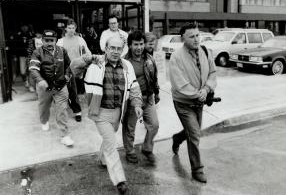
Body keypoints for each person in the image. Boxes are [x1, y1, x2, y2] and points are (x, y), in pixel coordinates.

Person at [70, 35, 143, 194]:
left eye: (119, 49)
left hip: (118, 111)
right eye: (112, 48)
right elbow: (74, 69)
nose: (116, 52)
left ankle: (103, 159)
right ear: (106, 48)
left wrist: (137, 104)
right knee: (111, 142)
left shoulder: (127, 65)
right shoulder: (96, 63)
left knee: (109, 138)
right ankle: (120, 180)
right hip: (100, 111)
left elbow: (135, 87)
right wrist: (87, 58)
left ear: (122, 50)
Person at [169, 23, 217, 183]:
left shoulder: (205, 51)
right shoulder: (176, 57)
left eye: (198, 35)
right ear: (183, 38)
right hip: (183, 102)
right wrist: (198, 94)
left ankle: (177, 138)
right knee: (195, 134)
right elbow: (179, 83)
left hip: (200, 101)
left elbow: (212, 73)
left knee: (192, 131)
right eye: (192, 36)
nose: (196, 39)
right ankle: (197, 170)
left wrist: (207, 89)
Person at [29, 30, 74, 147]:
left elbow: (69, 65)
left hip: (60, 86)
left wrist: (67, 75)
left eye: (52, 40)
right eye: (46, 40)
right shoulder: (37, 52)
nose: (49, 43)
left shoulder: (62, 51)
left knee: (62, 110)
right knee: (44, 107)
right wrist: (40, 80)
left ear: (56, 40)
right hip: (44, 87)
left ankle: (65, 136)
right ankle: (44, 121)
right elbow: (33, 68)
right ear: (42, 41)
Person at [123, 30, 160, 164]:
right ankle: (130, 151)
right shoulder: (124, 62)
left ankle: (147, 148)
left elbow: (154, 77)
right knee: (130, 128)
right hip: (132, 100)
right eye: (136, 44)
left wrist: (157, 93)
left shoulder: (150, 59)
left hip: (148, 97)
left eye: (141, 44)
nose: (139, 48)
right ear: (130, 45)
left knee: (154, 125)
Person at [57, 19, 91, 122]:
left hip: (78, 69)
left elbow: (87, 52)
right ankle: (77, 112)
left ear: (75, 28)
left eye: (73, 28)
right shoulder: (61, 41)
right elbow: (57, 56)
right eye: (69, 28)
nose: (71, 30)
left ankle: (76, 110)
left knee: (75, 92)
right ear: (66, 28)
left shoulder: (80, 39)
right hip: (67, 69)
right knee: (70, 92)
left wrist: (88, 59)